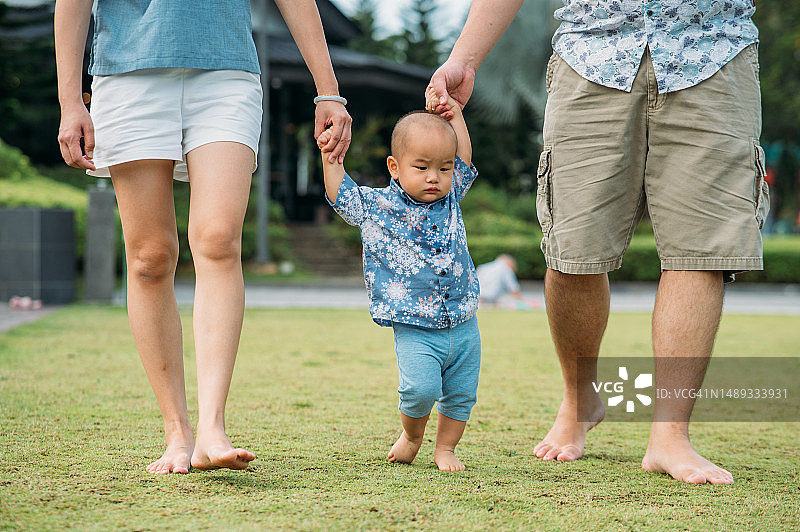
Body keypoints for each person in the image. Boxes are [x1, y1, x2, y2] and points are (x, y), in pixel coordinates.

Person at [428, 0, 768, 485]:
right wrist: (465, 57)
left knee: (700, 251)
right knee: (573, 251)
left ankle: (670, 435)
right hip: (593, 52)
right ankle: (580, 396)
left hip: (714, 49)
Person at [55, 0, 352, 474]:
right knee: (150, 257)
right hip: (127, 74)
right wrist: (71, 100)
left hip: (226, 71)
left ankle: (213, 428)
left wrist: (327, 91)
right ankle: (177, 432)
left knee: (217, 240)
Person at [317, 90, 480, 472]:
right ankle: (411, 435)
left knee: (461, 396)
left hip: (464, 321)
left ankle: (446, 449)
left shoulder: (451, 197)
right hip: (414, 325)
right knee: (420, 390)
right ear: (394, 166)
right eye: (421, 167)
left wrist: (455, 114)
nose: (434, 177)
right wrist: (331, 157)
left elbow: (465, 158)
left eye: (443, 168)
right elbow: (341, 194)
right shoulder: (378, 206)